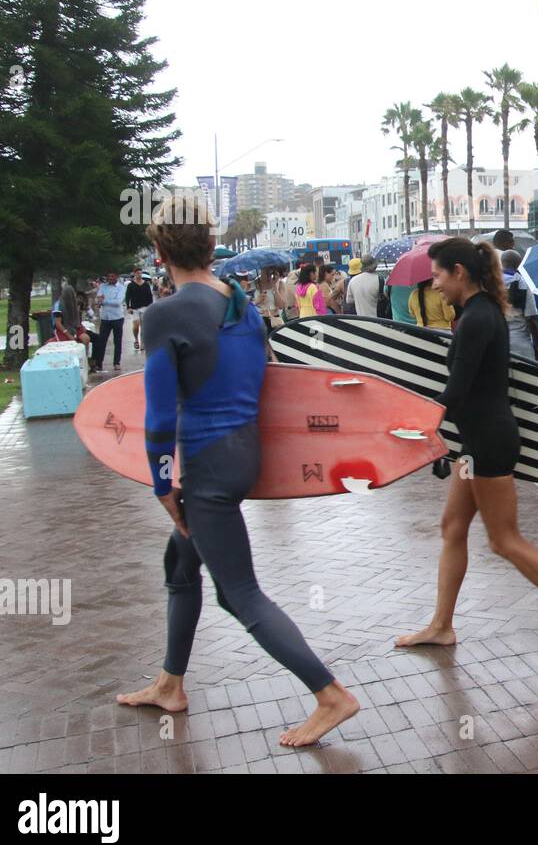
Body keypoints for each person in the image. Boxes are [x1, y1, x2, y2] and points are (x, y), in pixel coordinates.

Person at [116, 196, 358, 747]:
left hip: (205, 466)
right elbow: (269, 380)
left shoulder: (166, 314)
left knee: (239, 593)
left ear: (159, 251)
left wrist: (161, 483)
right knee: (181, 565)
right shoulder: (242, 307)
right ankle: (170, 683)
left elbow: (157, 414)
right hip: (243, 455)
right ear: (207, 245)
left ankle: (330, 694)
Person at [395, 238, 538, 654]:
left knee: (503, 539)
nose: (434, 285)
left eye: (437, 275)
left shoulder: (477, 318)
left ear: (458, 272)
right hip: (473, 444)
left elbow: (457, 389)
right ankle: (441, 625)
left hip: (488, 442)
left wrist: (414, 425)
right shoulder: (477, 312)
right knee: (452, 529)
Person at [500, 250, 538, 359]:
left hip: (497, 343)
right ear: (519, 264)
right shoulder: (524, 283)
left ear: (502, 263)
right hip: (521, 346)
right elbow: (531, 318)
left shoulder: (492, 283)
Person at [90, 270, 128, 373]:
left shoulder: (121, 288)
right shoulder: (103, 286)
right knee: (101, 341)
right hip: (105, 318)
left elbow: (118, 302)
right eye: (109, 276)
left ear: (116, 277)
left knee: (117, 341)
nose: (110, 278)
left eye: (112, 276)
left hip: (117, 317)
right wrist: (100, 301)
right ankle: (99, 363)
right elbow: (98, 299)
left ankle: (116, 362)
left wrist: (104, 301)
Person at [124, 267, 154, 352]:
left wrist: (150, 307)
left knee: (143, 326)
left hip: (145, 307)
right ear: (134, 274)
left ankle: (143, 343)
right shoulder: (131, 285)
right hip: (135, 308)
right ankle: (136, 339)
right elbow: (127, 297)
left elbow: (150, 296)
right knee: (136, 325)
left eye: (140, 273)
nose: (139, 274)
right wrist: (128, 307)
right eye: (137, 273)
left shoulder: (146, 284)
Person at [347, 255, 384, 319]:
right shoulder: (379, 279)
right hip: (378, 320)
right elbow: (384, 297)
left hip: (361, 320)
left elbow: (349, 301)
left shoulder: (353, 280)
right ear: (375, 266)